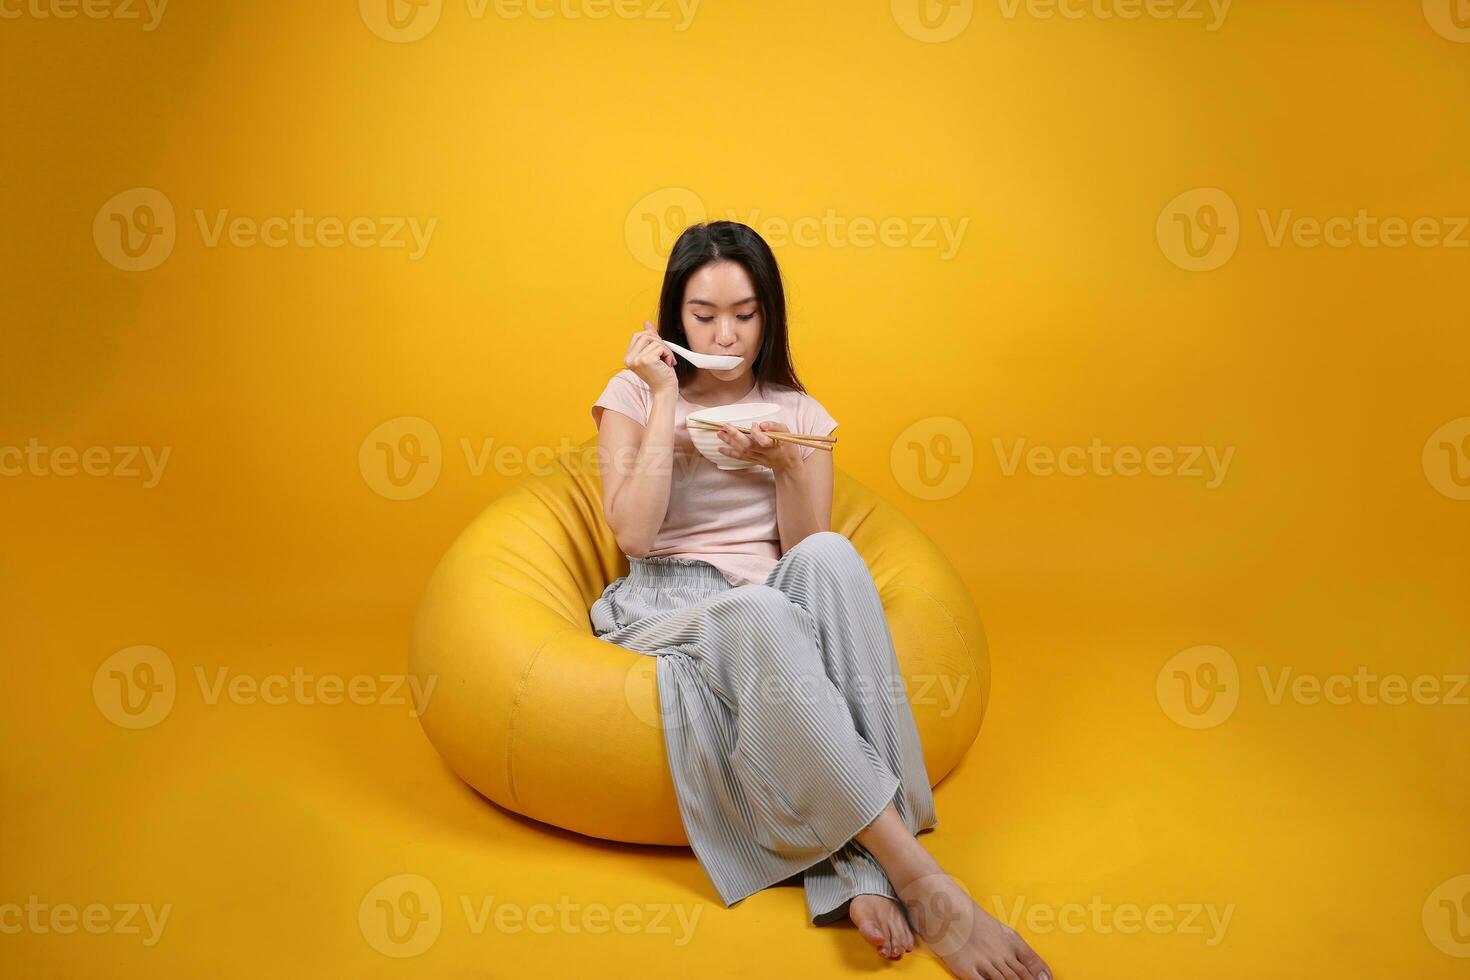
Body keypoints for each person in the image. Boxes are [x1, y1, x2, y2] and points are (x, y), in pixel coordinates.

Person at [590, 220, 1051, 980]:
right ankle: (916, 878)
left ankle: (853, 873)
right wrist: (666, 394)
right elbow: (635, 534)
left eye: (745, 313)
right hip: (667, 602)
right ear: (675, 316)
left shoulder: (800, 413)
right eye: (704, 315)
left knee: (834, 558)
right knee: (764, 612)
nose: (727, 333)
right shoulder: (634, 393)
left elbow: (804, 548)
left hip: (770, 601)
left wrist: (783, 466)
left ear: (770, 314)